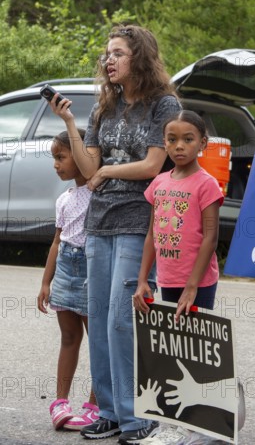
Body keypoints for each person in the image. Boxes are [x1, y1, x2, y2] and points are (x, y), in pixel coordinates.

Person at [48, 24, 182, 443]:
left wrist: (106, 170)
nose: (109, 60)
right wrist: (70, 120)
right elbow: (88, 170)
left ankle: (137, 417)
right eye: (106, 54)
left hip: (138, 220)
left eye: (118, 53)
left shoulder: (164, 104)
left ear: (139, 58)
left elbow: (153, 165)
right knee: (103, 319)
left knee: (125, 321)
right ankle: (107, 411)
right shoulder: (103, 107)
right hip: (99, 222)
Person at [133, 110, 224, 445]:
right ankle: (172, 422)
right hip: (167, 280)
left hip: (197, 283)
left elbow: (210, 237)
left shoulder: (206, 184)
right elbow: (151, 235)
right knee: (171, 351)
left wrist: (191, 287)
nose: (179, 146)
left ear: (203, 142)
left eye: (188, 139)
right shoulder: (159, 182)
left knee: (197, 351)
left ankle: (208, 426)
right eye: (172, 139)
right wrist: (143, 280)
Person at [37, 129, 99, 431]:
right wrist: (46, 282)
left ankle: (96, 404)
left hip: (91, 270)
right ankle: (60, 402)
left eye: (61, 157)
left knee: (98, 341)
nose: (56, 164)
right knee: (69, 338)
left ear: (79, 157)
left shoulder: (99, 192)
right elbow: (57, 242)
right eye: (54, 158)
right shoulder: (64, 199)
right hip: (66, 270)